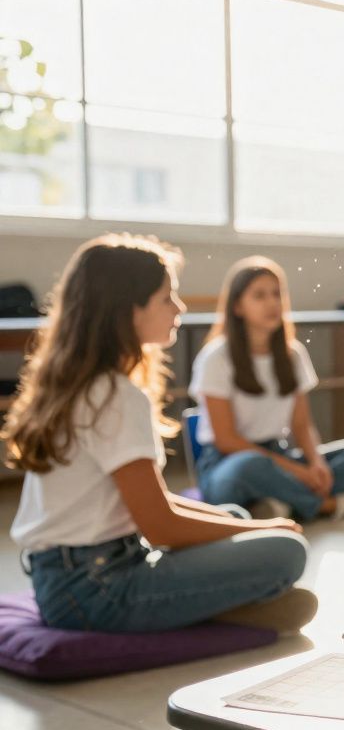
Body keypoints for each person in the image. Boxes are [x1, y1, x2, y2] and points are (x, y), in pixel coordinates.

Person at [2, 235, 314, 633]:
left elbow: (155, 503)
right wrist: (263, 529)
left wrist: (244, 524)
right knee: (286, 551)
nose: (179, 308)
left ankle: (226, 602)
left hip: (70, 576)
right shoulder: (114, 394)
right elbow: (161, 525)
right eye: (167, 298)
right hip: (96, 590)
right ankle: (225, 607)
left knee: (233, 514)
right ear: (128, 310)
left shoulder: (82, 382)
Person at [191, 257, 344, 522]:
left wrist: (316, 464)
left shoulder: (293, 354)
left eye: (277, 294)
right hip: (227, 465)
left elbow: (302, 424)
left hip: (278, 455)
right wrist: (299, 473)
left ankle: (278, 502)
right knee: (251, 466)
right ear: (237, 306)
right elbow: (227, 440)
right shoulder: (216, 357)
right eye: (259, 296)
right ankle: (327, 505)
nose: (272, 303)